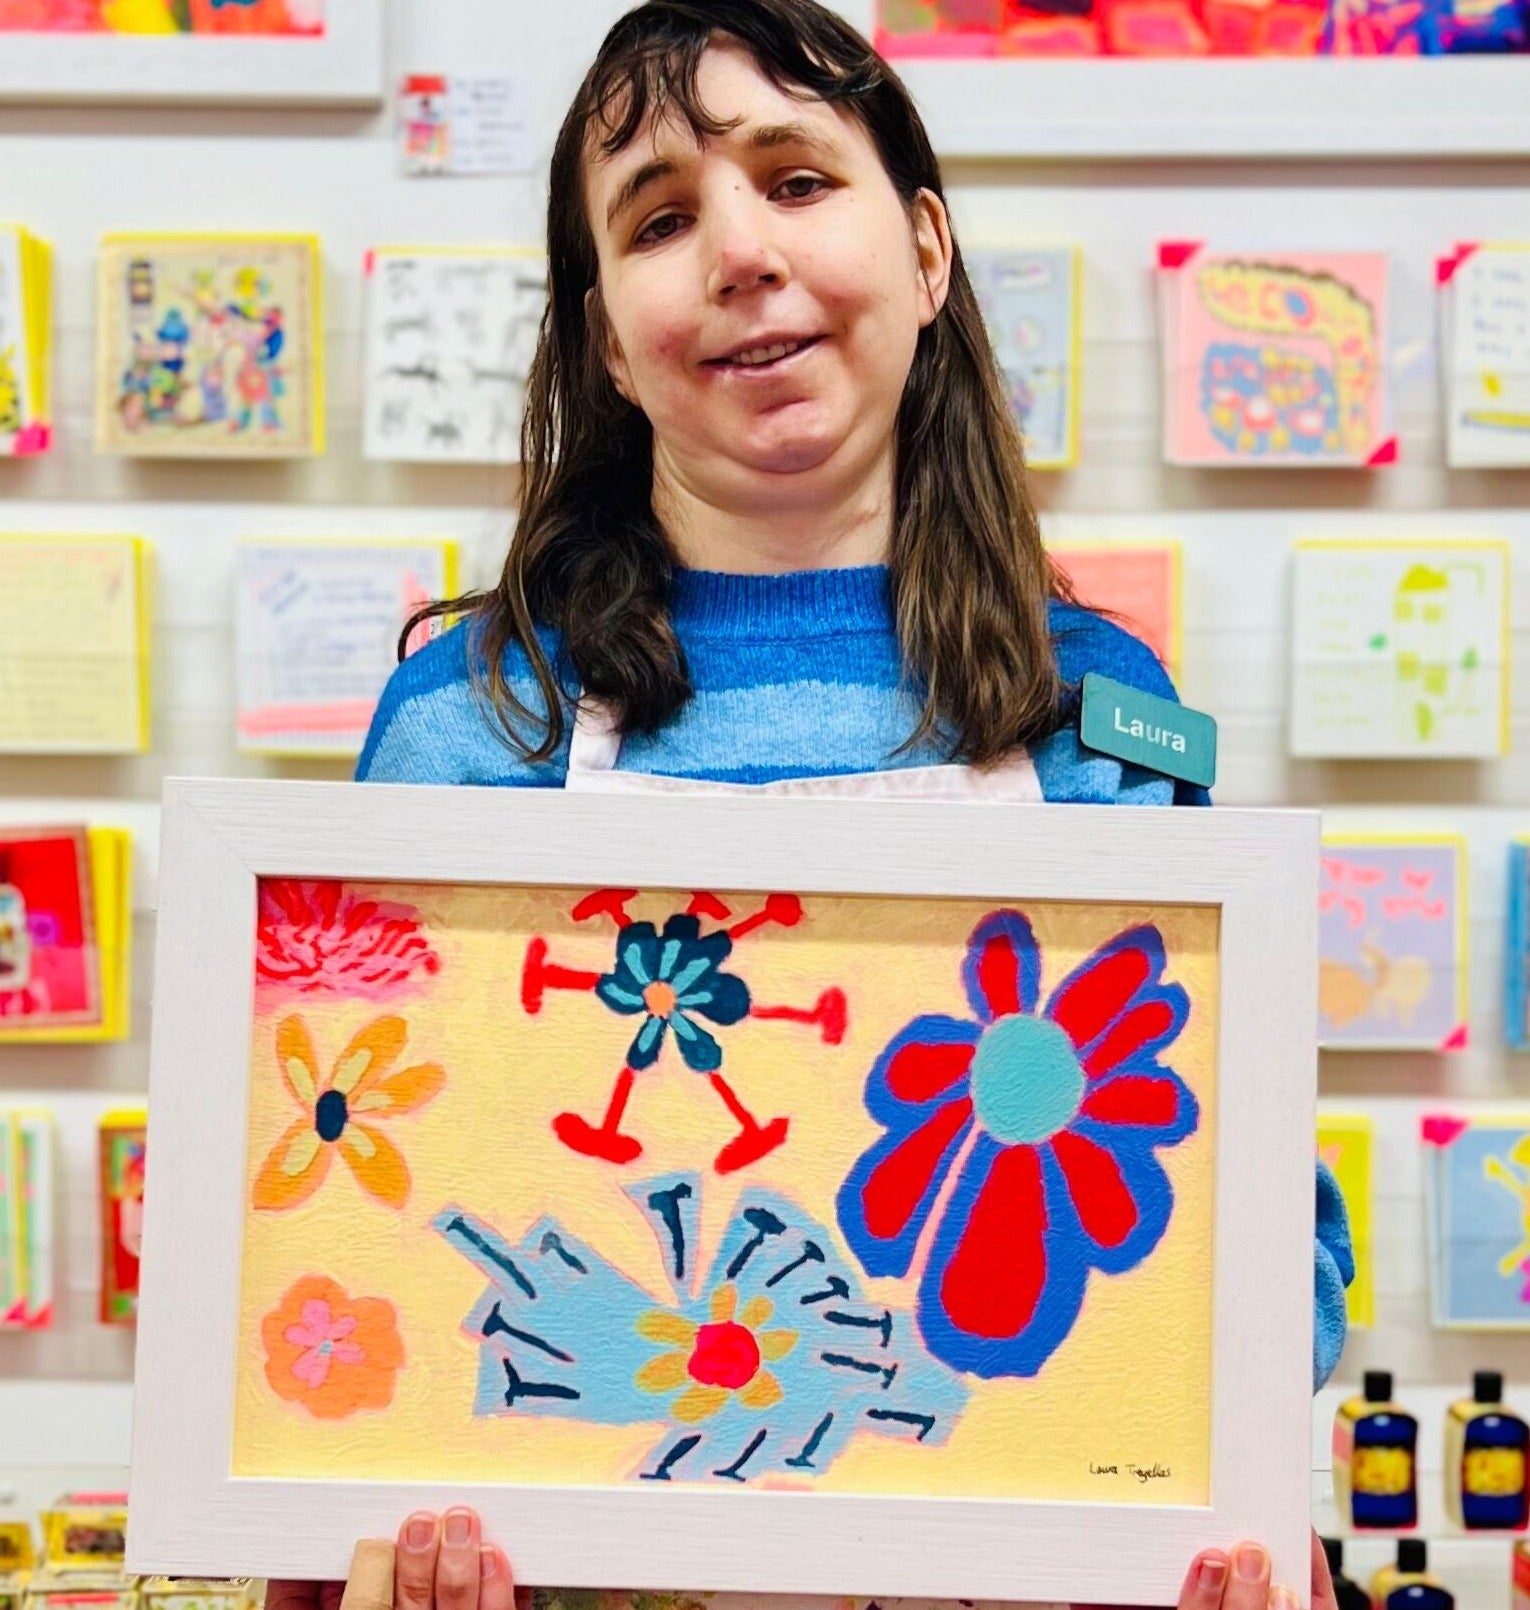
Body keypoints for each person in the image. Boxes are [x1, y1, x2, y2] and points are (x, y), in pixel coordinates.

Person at [340, 3, 1353, 1608]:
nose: (740, 250)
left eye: (797, 179)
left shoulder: (1101, 717)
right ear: (605, 336)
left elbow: (1255, 1227)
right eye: (660, 217)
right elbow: (360, 1248)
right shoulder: (472, 725)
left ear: (929, 250)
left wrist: (1187, 1470)